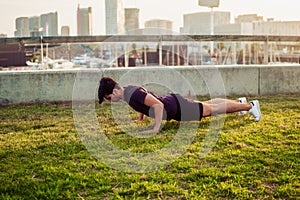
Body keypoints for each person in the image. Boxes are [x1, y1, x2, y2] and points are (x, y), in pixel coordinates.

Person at [98, 77, 261, 133]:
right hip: (174, 104)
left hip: (175, 107)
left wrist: (155, 127)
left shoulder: (132, 93)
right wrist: (142, 117)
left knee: (212, 110)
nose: (110, 101)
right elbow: (145, 102)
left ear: (114, 91)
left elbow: (158, 106)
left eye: (108, 98)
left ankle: (250, 106)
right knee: (209, 105)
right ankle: (240, 103)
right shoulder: (127, 92)